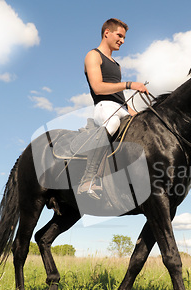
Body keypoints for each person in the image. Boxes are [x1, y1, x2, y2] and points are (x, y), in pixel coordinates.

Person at [78, 18, 149, 199]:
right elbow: (98, 87)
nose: (122, 41)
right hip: (104, 107)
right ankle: (89, 179)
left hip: (120, 107)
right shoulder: (93, 55)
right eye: (119, 35)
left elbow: (120, 98)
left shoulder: (116, 64)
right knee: (112, 125)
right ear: (106, 33)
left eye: (124, 38)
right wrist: (129, 84)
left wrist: (137, 114)